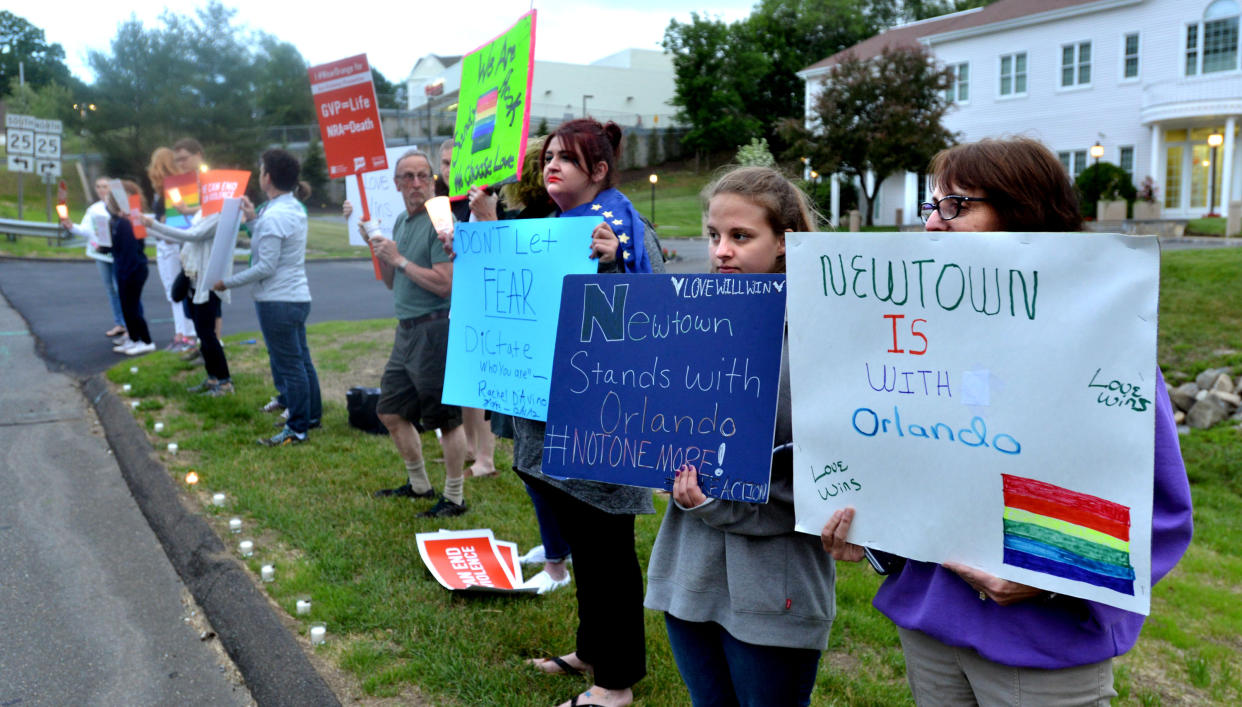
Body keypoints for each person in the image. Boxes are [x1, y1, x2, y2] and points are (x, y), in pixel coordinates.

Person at [820, 137, 1194, 706]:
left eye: (958, 206)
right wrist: (873, 539)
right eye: (931, 206)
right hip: (930, 629)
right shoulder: (918, 347)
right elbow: (921, 480)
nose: (933, 225)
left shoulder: (1100, 348)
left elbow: (1161, 514)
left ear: (1023, 214)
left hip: (1042, 647)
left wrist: (1045, 578)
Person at [644, 166, 835, 707]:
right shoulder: (689, 318)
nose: (721, 251)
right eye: (713, 235)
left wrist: (717, 504)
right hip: (690, 577)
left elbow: (829, 477)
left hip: (774, 591)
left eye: (741, 236)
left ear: (784, 242)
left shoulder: (823, 334)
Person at [508, 119, 653, 707]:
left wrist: (617, 262)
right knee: (585, 544)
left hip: (602, 422)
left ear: (599, 170)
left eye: (566, 158)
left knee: (607, 551)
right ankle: (591, 650)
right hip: (554, 420)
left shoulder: (622, 227)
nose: (551, 166)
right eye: (547, 156)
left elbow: (653, 317)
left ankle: (613, 686)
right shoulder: (555, 230)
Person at [465, 138, 571, 594]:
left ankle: (557, 563)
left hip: (533, 366)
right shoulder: (524, 217)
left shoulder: (549, 221)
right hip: (514, 362)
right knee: (529, 465)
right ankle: (556, 547)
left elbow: (525, 286)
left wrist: (489, 224)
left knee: (540, 468)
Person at [362, 148, 470, 518]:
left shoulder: (441, 220)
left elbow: (445, 284)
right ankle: (420, 485)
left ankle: (454, 497)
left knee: (445, 419)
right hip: (406, 331)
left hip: (435, 328)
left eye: (423, 175)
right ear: (396, 184)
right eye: (407, 177)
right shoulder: (400, 222)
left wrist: (400, 259)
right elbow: (393, 282)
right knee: (390, 410)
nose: (416, 183)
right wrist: (379, 251)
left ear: (432, 180)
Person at [212, 149, 321, 446]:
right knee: (301, 361)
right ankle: (310, 416)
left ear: (267, 177)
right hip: (295, 297)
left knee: (291, 365)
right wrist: (251, 219)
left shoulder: (276, 215)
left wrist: (226, 283)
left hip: (278, 300)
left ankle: (297, 428)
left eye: (261, 170)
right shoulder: (289, 208)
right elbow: (269, 241)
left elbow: (265, 265)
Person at [142, 151, 236, 396]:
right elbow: (189, 230)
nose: (202, 188)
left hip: (206, 280)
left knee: (207, 334)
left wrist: (154, 224)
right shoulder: (204, 211)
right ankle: (212, 378)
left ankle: (224, 382)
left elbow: (193, 235)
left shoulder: (219, 213)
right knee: (203, 334)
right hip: (194, 276)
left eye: (206, 186)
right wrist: (156, 230)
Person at [62, 175, 127, 340]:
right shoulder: (94, 209)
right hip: (100, 253)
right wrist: (71, 226)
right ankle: (119, 323)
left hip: (118, 253)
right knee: (110, 289)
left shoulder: (121, 207)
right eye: (98, 186)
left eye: (105, 186)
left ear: (112, 188)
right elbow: (86, 230)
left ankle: (129, 324)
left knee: (122, 289)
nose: (101, 190)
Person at [147, 146, 198, 352]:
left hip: (170, 243)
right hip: (176, 241)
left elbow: (169, 220)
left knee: (175, 289)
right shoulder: (181, 187)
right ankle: (184, 332)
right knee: (180, 289)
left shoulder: (165, 190)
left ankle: (185, 334)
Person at [102, 180, 155, 356]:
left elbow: (132, 250)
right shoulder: (119, 220)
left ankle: (145, 340)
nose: (107, 199)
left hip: (131, 270)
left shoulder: (129, 221)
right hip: (124, 267)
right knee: (126, 306)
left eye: (111, 196)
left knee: (131, 307)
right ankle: (133, 338)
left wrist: (126, 273)